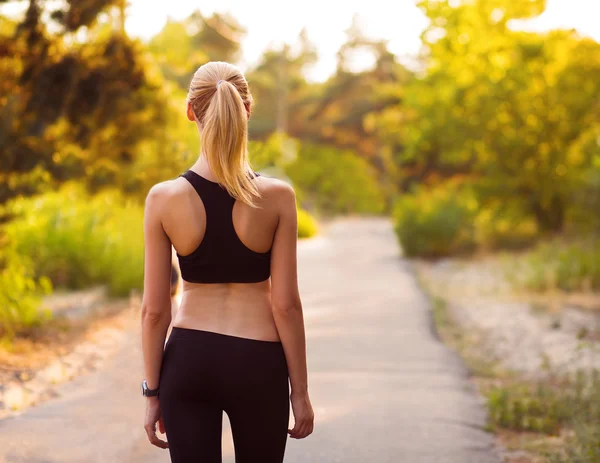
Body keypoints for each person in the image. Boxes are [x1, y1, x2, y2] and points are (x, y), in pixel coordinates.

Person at [140, 61, 314, 463]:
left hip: (189, 360)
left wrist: (152, 393)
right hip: (258, 362)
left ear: (190, 112)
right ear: (247, 110)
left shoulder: (163, 199)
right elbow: (286, 305)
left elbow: (154, 310)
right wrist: (299, 392)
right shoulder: (277, 198)